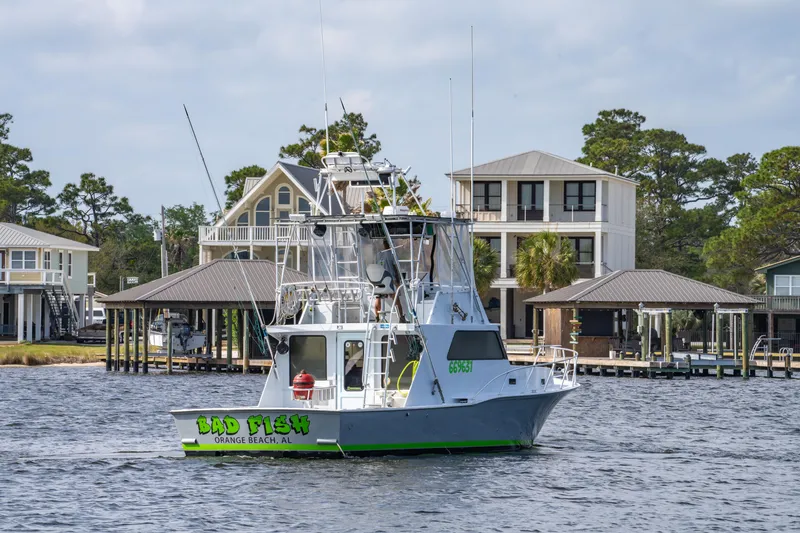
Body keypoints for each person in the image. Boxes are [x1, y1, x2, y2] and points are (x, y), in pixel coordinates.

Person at [373, 239, 406, 322]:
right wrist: (398, 282)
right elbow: (395, 268)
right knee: (396, 299)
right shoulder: (392, 254)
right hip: (390, 280)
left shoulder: (378, 255)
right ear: (390, 243)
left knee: (378, 298)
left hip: (380, 281)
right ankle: (401, 317)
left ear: (383, 244)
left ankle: (377, 317)